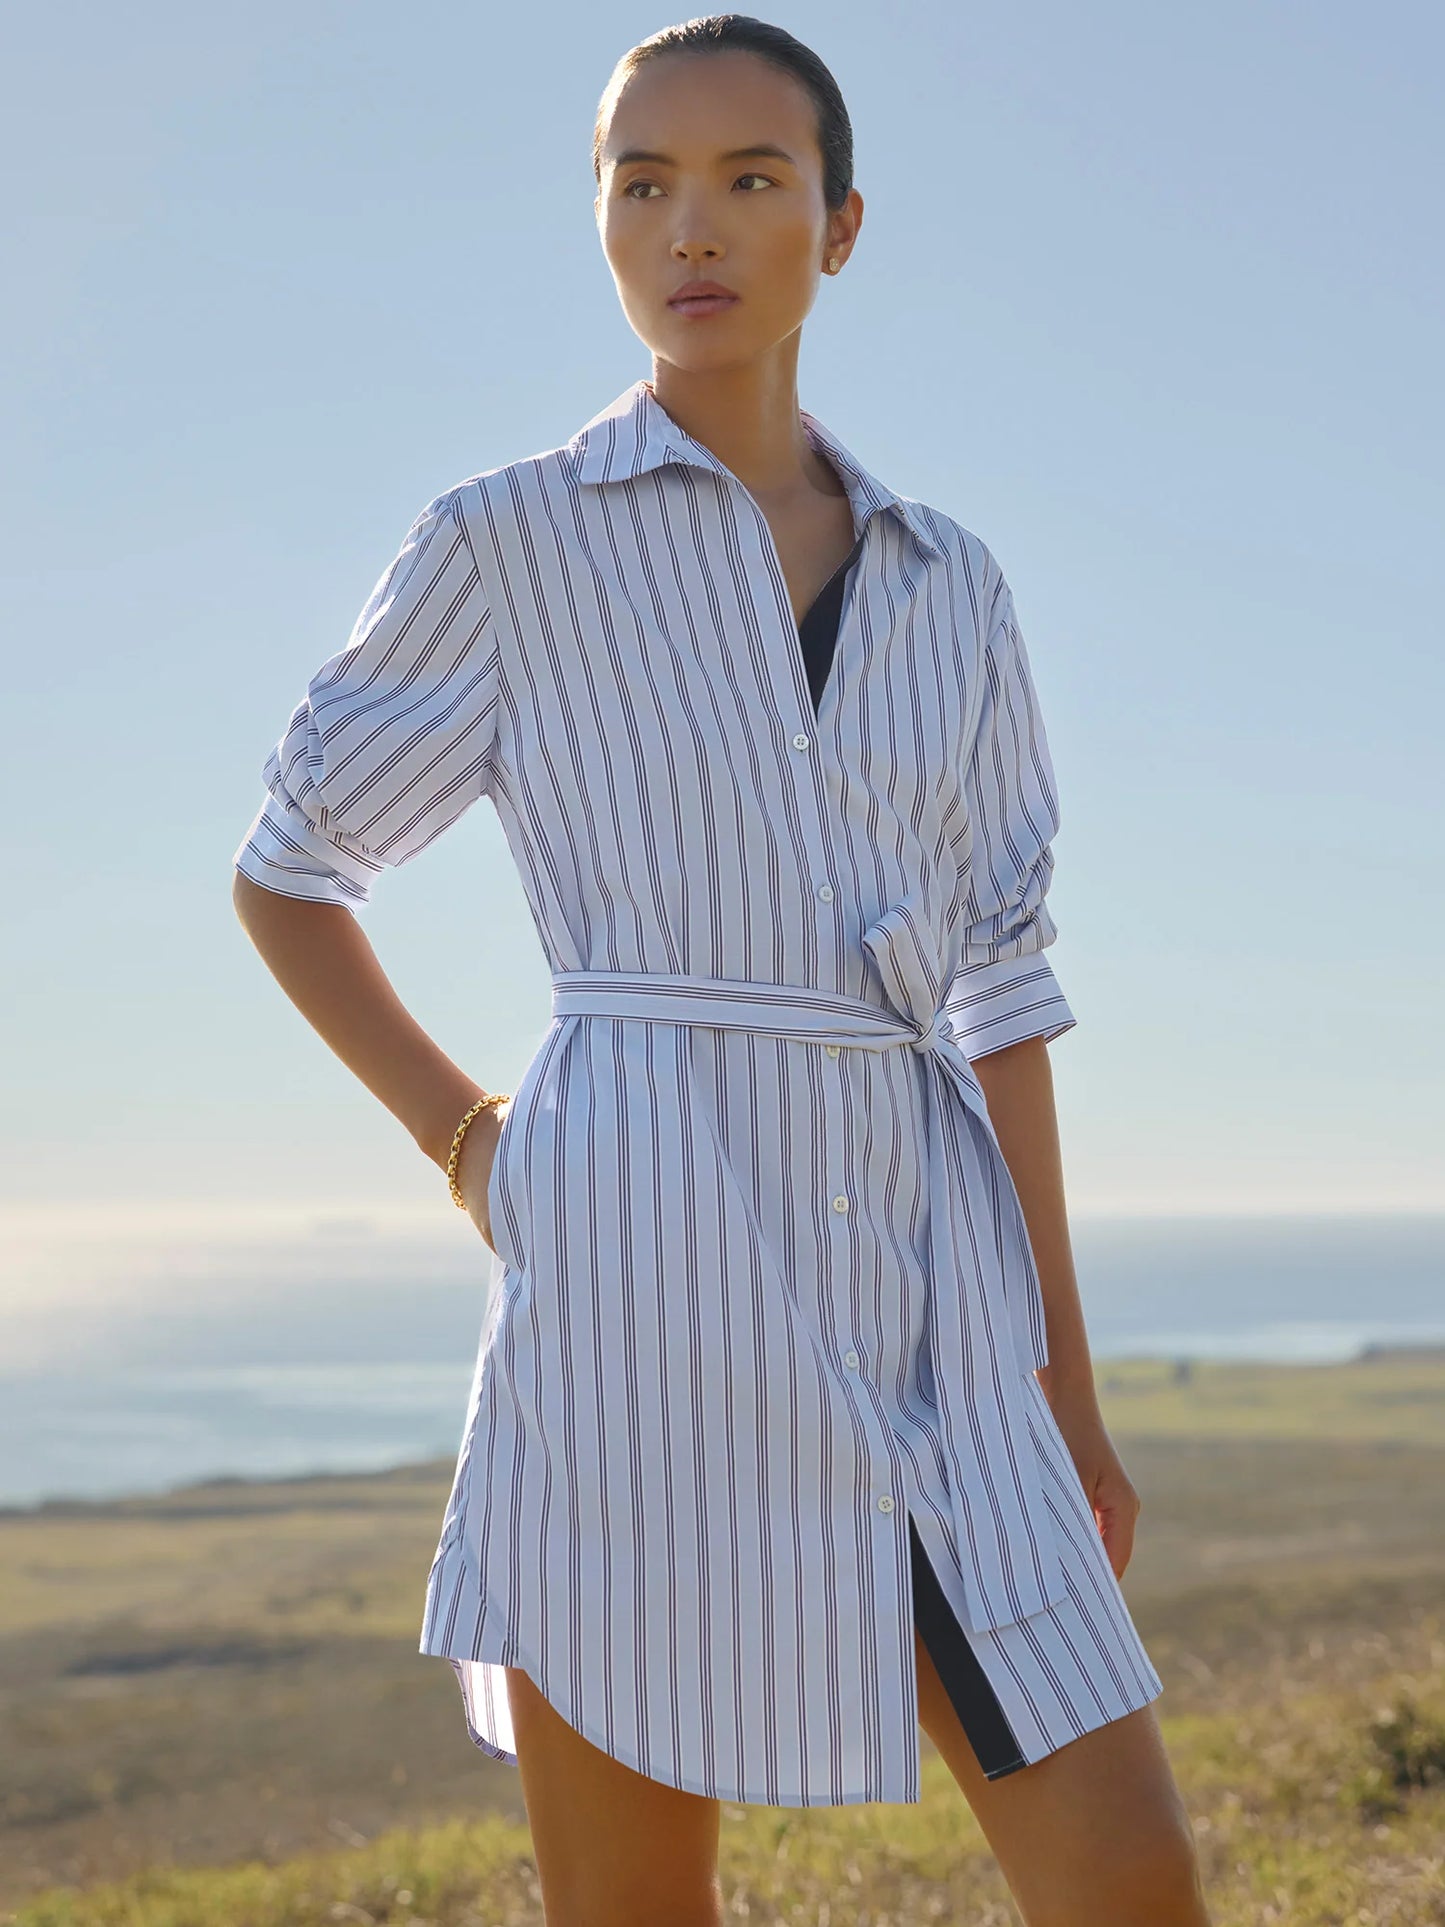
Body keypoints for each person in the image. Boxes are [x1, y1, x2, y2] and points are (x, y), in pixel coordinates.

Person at [232, 16, 1212, 1926]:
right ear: (599, 221)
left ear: (837, 230)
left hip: (934, 1296)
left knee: (1129, 1884)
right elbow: (292, 874)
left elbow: (1002, 991)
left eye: (750, 181)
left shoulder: (954, 586)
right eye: (641, 180)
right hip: (633, 1282)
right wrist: (471, 1145)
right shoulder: (504, 544)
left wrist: (1063, 1389)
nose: (692, 226)